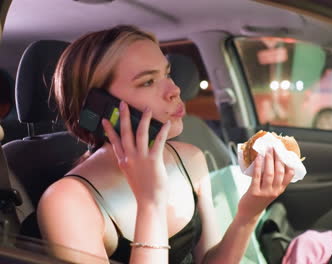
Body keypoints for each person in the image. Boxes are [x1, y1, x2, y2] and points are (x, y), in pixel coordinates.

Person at [37, 25, 295, 264]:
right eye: (148, 81)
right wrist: (150, 201)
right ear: (99, 105)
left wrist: (248, 214)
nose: (174, 90)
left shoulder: (190, 159)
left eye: (167, 74)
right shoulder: (66, 203)